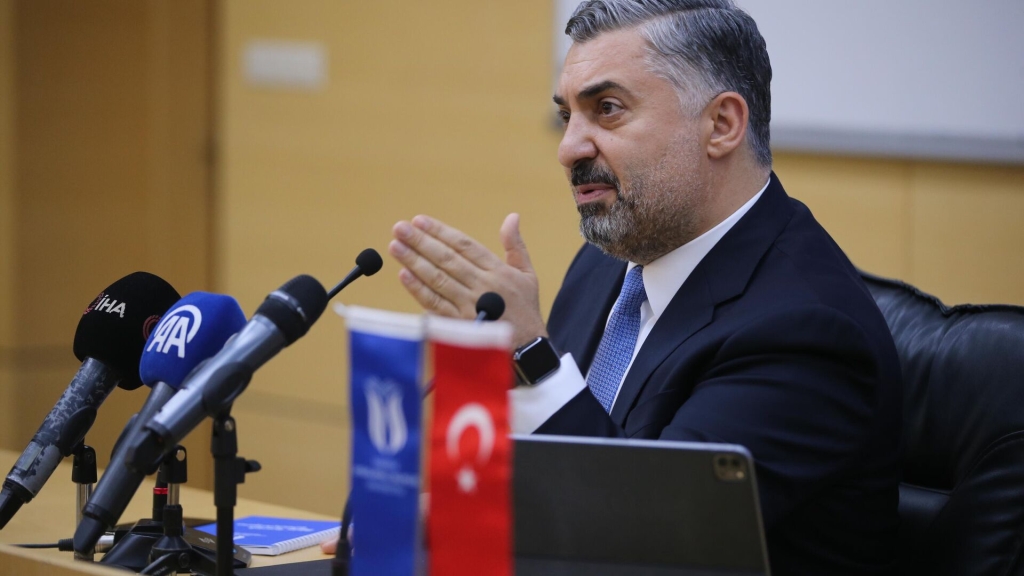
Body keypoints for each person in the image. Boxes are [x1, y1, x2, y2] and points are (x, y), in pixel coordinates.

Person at [380, 1, 902, 573]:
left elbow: (650, 542)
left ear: (722, 125)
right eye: (566, 115)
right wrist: (462, 517)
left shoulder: (807, 331)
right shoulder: (606, 265)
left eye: (607, 109)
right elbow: (563, 477)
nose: (568, 148)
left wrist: (532, 359)